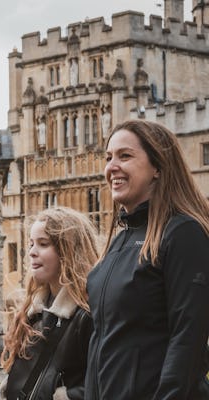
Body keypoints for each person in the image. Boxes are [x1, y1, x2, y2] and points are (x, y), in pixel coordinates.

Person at [86, 119, 209, 399]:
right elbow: (100, 345)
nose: (111, 167)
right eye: (108, 158)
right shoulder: (117, 243)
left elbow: (187, 339)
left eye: (125, 156)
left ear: (157, 166)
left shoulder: (182, 233)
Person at [0, 207, 98, 400]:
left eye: (43, 244)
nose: (32, 252)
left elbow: (102, 383)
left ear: (68, 250)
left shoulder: (88, 314)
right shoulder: (31, 313)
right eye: (31, 244)